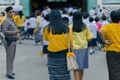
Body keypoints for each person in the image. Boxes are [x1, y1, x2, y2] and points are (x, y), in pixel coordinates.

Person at [43, 10, 72, 80]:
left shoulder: (47, 28)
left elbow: (46, 39)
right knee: (64, 73)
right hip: (64, 54)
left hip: (51, 54)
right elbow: (71, 42)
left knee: (53, 74)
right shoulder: (66, 28)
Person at [69, 11, 92, 80]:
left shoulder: (70, 27)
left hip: (74, 49)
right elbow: (89, 38)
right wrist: (84, 41)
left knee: (75, 67)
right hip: (83, 48)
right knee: (81, 67)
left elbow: (68, 39)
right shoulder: (85, 26)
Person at [99, 10, 120, 80]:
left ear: (110, 18)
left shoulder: (108, 26)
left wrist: (104, 41)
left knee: (113, 70)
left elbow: (100, 31)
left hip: (112, 51)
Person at [2, 6, 20, 79]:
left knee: (12, 57)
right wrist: (14, 32)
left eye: (13, 11)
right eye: (11, 12)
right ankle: (8, 73)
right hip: (9, 42)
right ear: (7, 13)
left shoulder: (11, 20)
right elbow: (4, 32)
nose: (12, 13)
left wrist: (17, 33)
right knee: (10, 58)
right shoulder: (6, 20)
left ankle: (10, 71)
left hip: (13, 41)